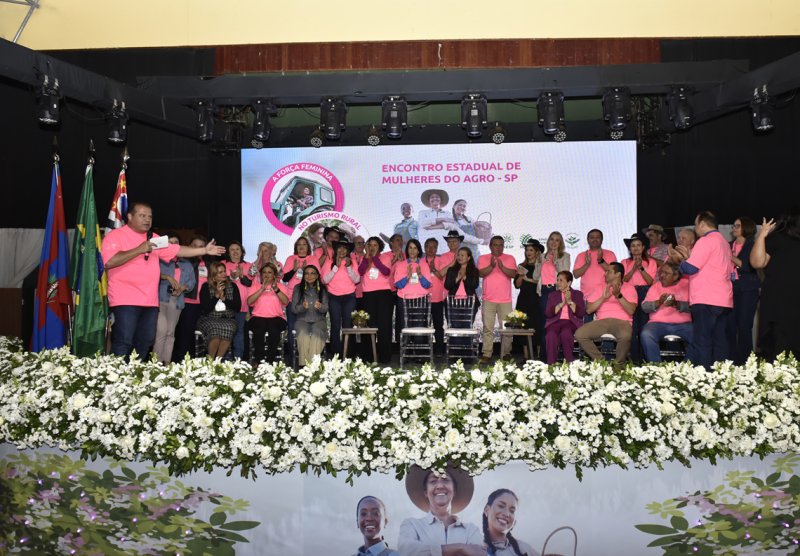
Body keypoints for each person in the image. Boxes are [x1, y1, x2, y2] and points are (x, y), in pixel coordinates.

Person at [101, 201, 225, 359]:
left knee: (145, 341)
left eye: (150, 217)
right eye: (142, 215)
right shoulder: (115, 236)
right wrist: (139, 249)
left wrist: (204, 250)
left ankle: (136, 377)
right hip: (125, 301)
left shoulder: (154, 238)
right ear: (130, 217)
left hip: (150, 302)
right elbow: (109, 261)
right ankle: (116, 379)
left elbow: (178, 250)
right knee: (124, 341)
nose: (147, 219)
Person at [669, 211, 733, 368]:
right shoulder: (724, 242)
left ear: (703, 224)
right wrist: (687, 257)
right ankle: (721, 377)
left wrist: (680, 260)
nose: (695, 228)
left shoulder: (705, 241)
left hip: (706, 299)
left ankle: (703, 379)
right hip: (723, 299)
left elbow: (690, 268)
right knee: (719, 341)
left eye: (696, 224)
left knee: (702, 341)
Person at [398, 465, 483, 556]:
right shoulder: (412, 525)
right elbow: (407, 551)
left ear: (454, 490)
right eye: (433, 481)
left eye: (445, 479)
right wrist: (460, 547)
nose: (439, 486)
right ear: (426, 492)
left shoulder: (471, 530)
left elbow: (479, 553)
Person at [750, 215, 800, 360]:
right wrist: (762, 236)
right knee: (779, 347)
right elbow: (757, 262)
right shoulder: (778, 238)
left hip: (787, 302)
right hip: (779, 303)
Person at [574, 262, 637, 364]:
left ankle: (619, 365)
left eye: (608, 271)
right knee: (580, 334)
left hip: (622, 322)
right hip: (601, 322)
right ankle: (601, 362)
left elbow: (631, 310)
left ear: (618, 274)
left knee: (626, 336)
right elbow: (589, 310)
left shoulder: (629, 288)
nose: (605, 274)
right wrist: (603, 298)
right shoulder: (599, 287)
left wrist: (618, 295)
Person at [153, 232, 196, 364]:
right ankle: (156, 363)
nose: (172, 245)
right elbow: (152, 274)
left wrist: (183, 287)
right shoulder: (159, 260)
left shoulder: (187, 264)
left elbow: (192, 283)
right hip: (161, 299)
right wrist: (167, 277)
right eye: (169, 243)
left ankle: (166, 363)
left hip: (177, 301)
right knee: (161, 331)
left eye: (175, 243)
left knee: (170, 333)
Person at [640, 262, 692, 363]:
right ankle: (656, 368)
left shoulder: (686, 285)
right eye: (661, 272)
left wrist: (676, 304)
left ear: (676, 276)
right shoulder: (655, 286)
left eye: (666, 273)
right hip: (657, 324)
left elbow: (693, 307)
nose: (661, 275)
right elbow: (644, 307)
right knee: (646, 334)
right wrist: (658, 302)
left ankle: (686, 368)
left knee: (698, 336)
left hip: (684, 324)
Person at [478, 236, 517, 363]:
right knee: (488, 328)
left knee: (507, 328)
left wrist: (502, 267)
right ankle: (487, 353)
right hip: (488, 299)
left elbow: (513, 274)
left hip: (505, 300)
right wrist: (491, 266)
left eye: (501, 245)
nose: (498, 247)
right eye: (495, 245)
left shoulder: (510, 258)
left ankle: (506, 353)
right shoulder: (483, 258)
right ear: (490, 246)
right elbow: (481, 273)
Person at [172, 236, 211, 361]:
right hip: (188, 303)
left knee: (203, 335)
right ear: (188, 247)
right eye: (194, 246)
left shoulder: (209, 264)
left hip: (205, 305)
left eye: (201, 246)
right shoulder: (183, 262)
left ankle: (199, 361)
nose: (198, 249)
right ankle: (182, 360)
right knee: (186, 334)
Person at [282, 236, 320, 364]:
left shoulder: (313, 259)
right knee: (293, 327)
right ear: (296, 247)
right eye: (299, 245)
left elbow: (317, 278)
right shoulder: (290, 259)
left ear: (308, 247)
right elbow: (285, 279)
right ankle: (293, 356)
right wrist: (294, 269)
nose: (302, 247)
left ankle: (309, 356)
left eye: (304, 244)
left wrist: (305, 272)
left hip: (309, 298)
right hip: (293, 298)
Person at [358, 236, 395, 364]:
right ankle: (369, 356)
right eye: (370, 245)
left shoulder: (385, 257)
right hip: (368, 294)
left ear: (379, 246)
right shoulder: (365, 258)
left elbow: (386, 271)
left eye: (375, 245)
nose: (372, 247)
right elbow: (361, 271)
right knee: (368, 325)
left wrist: (374, 257)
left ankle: (384, 356)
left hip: (384, 294)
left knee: (384, 325)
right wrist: (367, 258)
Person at [728, 217, 760, 365]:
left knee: (744, 326)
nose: (733, 228)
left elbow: (748, 267)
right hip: (729, 290)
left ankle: (746, 363)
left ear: (746, 228)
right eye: (734, 225)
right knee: (730, 325)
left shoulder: (753, 246)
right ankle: (731, 361)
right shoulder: (728, 245)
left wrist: (730, 256)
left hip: (748, 289)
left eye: (737, 225)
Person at [621, 233, 657, 363]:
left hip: (645, 293)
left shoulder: (651, 262)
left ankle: (644, 358)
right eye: (633, 246)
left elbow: (650, 282)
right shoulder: (625, 262)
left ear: (643, 247)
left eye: (638, 245)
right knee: (632, 327)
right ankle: (633, 359)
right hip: (629, 294)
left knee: (643, 326)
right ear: (630, 249)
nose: (635, 248)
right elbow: (623, 280)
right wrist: (633, 269)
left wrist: (641, 268)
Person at [322, 239, 360, 358]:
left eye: (345, 248)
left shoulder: (353, 261)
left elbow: (357, 280)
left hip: (349, 296)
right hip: (333, 297)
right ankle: (336, 353)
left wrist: (348, 267)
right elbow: (324, 280)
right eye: (339, 248)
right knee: (335, 324)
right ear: (335, 249)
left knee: (348, 325)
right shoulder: (329, 261)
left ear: (348, 251)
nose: (342, 250)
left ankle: (348, 353)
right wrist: (336, 267)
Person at [246, 262, 290, 364]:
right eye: (264, 272)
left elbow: (286, 302)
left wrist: (276, 289)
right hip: (258, 317)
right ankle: (259, 361)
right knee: (259, 331)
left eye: (269, 272)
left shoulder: (281, 286)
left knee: (274, 331)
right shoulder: (255, 286)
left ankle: (270, 362)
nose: (266, 274)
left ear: (274, 275)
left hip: (277, 317)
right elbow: (249, 302)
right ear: (261, 275)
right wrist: (262, 289)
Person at [197, 261, 241, 359]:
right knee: (215, 333)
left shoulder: (233, 286)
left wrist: (224, 299)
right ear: (213, 276)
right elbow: (206, 309)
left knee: (229, 329)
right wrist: (216, 295)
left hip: (228, 319)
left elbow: (237, 307)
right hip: (209, 318)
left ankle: (217, 361)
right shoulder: (205, 287)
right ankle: (211, 360)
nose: (224, 274)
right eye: (220, 272)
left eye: (224, 271)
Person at [538, 232, 571, 360]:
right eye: (552, 239)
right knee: (544, 325)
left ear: (561, 243)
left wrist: (556, 261)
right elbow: (536, 276)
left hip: (557, 292)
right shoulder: (541, 256)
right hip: (544, 292)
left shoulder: (565, 256)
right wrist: (541, 263)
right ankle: (544, 358)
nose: (554, 242)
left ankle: (558, 357)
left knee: (557, 324)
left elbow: (566, 275)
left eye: (557, 240)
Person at [572, 229, 617, 317]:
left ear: (602, 239)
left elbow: (614, 273)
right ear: (587, 239)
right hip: (586, 297)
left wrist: (601, 261)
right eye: (592, 237)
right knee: (588, 327)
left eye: (598, 237)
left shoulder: (610, 254)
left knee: (604, 327)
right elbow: (576, 275)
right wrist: (586, 264)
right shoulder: (581, 255)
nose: (595, 239)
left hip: (605, 296)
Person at [544, 270, 585, 364]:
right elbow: (548, 313)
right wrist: (562, 304)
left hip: (570, 322)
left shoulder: (578, 294)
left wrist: (570, 301)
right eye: (557, 280)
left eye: (561, 280)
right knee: (550, 335)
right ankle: (551, 364)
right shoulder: (553, 295)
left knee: (566, 333)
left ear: (569, 282)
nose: (558, 283)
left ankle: (569, 362)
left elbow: (581, 313)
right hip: (555, 322)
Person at [291, 264, 329, 366]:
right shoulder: (298, 288)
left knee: (317, 333)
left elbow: (326, 308)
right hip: (302, 321)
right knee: (303, 335)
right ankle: (305, 367)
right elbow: (293, 309)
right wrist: (303, 307)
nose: (309, 276)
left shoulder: (323, 289)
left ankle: (311, 366)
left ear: (317, 276)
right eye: (307, 273)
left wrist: (320, 306)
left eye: (312, 273)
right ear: (303, 276)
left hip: (319, 321)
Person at [482, 489, 538, 556]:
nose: (506, 514)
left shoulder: (525, 549)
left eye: (512, 511)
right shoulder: (476, 548)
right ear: (487, 510)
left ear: (514, 522)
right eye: (501, 506)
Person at [514, 239, 543, 359]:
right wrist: (521, 275)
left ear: (537, 252)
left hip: (537, 300)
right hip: (523, 300)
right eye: (526, 250)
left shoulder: (541, 266)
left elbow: (543, 282)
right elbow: (517, 285)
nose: (528, 252)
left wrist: (529, 279)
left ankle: (540, 356)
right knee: (523, 327)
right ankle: (526, 357)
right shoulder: (522, 266)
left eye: (531, 250)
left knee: (538, 326)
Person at [224, 241, 252, 360]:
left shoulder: (249, 266)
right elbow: (218, 281)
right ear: (228, 253)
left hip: (243, 305)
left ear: (242, 252)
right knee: (225, 331)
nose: (235, 252)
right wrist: (231, 277)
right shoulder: (223, 264)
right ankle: (224, 358)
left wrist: (241, 276)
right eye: (232, 250)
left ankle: (238, 359)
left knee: (239, 332)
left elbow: (250, 283)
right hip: (226, 304)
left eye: (237, 249)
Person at [423, 238, 446, 354]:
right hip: (423, 299)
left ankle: (439, 350)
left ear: (437, 248)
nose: (431, 249)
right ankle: (425, 350)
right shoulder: (420, 261)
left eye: (433, 247)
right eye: (428, 246)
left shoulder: (441, 260)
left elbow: (442, 277)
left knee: (438, 326)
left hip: (437, 299)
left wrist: (434, 269)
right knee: (424, 326)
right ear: (424, 248)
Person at [444, 247, 481, 315]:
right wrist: (457, 279)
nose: (459, 257)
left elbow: (474, 285)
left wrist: (464, 277)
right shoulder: (451, 270)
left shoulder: (474, 271)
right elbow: (447, 286)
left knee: (467, 325)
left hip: (469, 303)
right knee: (453, 325)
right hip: (453, 303)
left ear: (468, 258)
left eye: (462, 255)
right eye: (458, 255)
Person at [417, 190, 454, 255]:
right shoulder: (423, 213)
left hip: (444, 249)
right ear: (429, 201)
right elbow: (423, 223)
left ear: (441, 200)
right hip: (426, 250)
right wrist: (443, 219)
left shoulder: (447, 213)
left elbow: (451, 225)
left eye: (437, 197)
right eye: (432, 197)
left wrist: (431, 227)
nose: (434, 198)